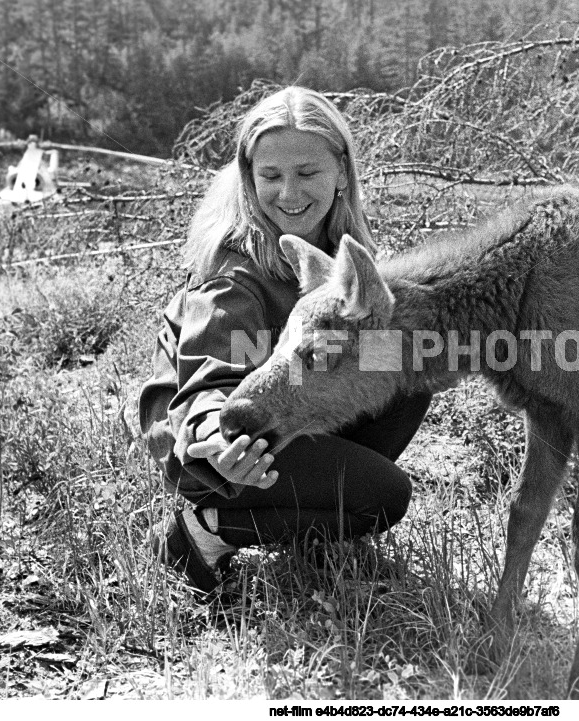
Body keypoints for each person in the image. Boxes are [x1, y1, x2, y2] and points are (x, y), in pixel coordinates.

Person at [138, 86, 432, 595]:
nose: (290, 195)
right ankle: (201, 533)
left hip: (277, 409)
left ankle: (313, 527)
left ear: (342, 172)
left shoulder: (336, 254)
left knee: (404, 367)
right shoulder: (232, 279)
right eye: (270, 176)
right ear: (249, 178)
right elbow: (210, 379)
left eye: (308, 173)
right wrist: (215, 436)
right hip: (210, 446)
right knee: (384, 495)